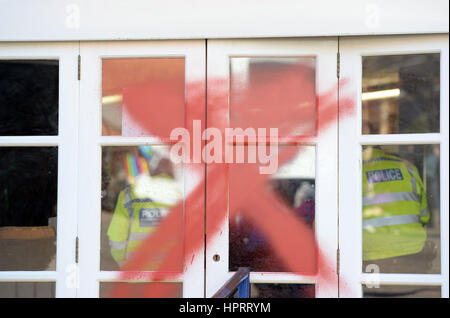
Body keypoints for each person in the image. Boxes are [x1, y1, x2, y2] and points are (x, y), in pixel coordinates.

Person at [107, 147, 182, 267]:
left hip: (138, 275)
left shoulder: (129, 194)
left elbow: (116, 238)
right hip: (173, 277)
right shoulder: (183, 194)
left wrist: (126, 264)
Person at [362, 146, 432, 273]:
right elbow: (424, 216)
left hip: (371, 255)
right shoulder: (408, 168)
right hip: (413, 251)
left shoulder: (351, 170)